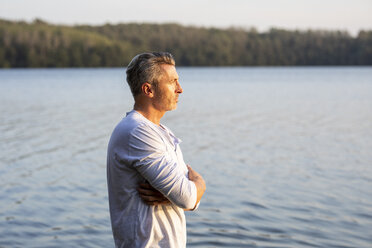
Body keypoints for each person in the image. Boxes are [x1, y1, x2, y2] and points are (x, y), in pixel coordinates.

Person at [107, 52, 206, 248]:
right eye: (172, 82)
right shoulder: (137, 132)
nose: (180, 89)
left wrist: (178, 195)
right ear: (148, 90)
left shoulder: (160, 132)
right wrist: (200, 183)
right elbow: (187, 197)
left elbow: (187, 198)